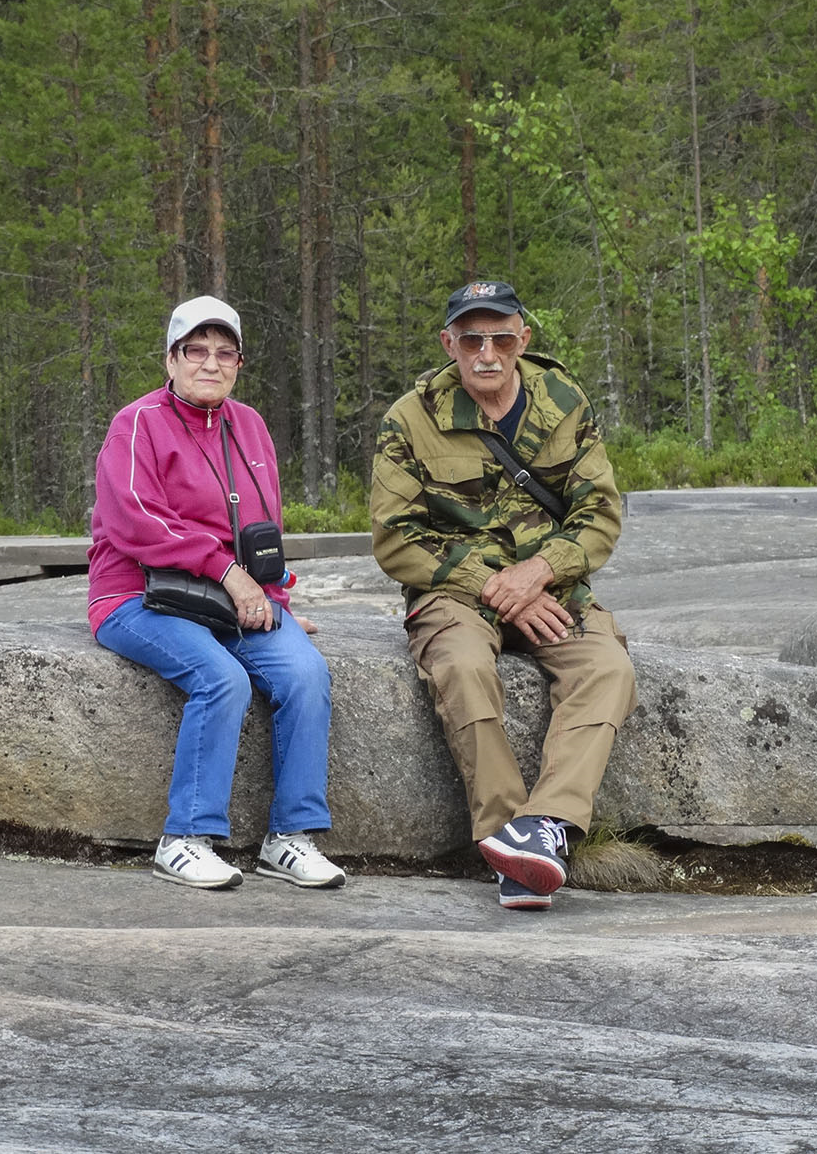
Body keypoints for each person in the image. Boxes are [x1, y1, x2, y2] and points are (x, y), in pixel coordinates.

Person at [370, 279, 637, 911]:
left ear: (523, 337)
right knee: (462, 666)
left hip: (549, 586)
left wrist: (539, 571)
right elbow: (395, 538)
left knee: (607, 668)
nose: (485, 352)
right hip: (457, 591)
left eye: (499, 336)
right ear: (448, 343)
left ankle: (543, 829)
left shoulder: (565, 403)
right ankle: (505, 839)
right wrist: (495, 582)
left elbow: (598, 512)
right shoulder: (410, 419)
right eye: (470, 339)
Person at [88, 294, 346, 892]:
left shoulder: (249, 426)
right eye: (195, 351)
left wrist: (274, 602)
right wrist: (228, 574)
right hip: (136, 596)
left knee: (305, 673)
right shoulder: (136, 423)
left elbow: (264, 532)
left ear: (238, 363)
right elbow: (134, 521)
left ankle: (290, 838)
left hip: (232, 600)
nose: (210, 363)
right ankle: (184, 839)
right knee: (220, 678)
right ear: (171, 359)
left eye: (223, 353)